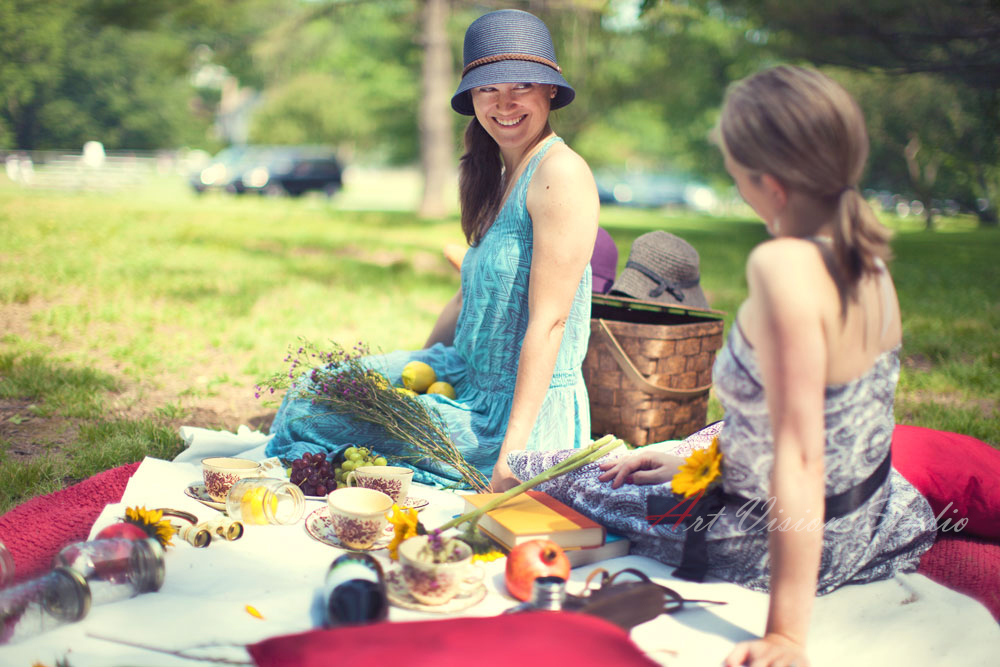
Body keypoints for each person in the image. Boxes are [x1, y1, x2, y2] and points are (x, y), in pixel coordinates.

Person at [595, 66, 935, 666]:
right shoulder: (869, 263)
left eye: (736, 172)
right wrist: (694, 461)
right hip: (876, 519)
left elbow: (800, 459)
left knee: (553, 474)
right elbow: (838, 422)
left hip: (778, 538)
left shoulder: (784, 268)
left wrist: (784, 635)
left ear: (770, 184)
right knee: (656, 457)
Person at [266, 9, 599, 492]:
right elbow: (468, 297)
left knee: (312, 413)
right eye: (488, 88)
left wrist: (513, 456)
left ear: (549, 89)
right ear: (472, 97)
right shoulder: (498, 173)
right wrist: (408, 372)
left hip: (508, 415)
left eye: (520, 86)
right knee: (318, 388)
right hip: (461, 374)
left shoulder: (560, 173)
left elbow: (550, 323)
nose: (503, 103)